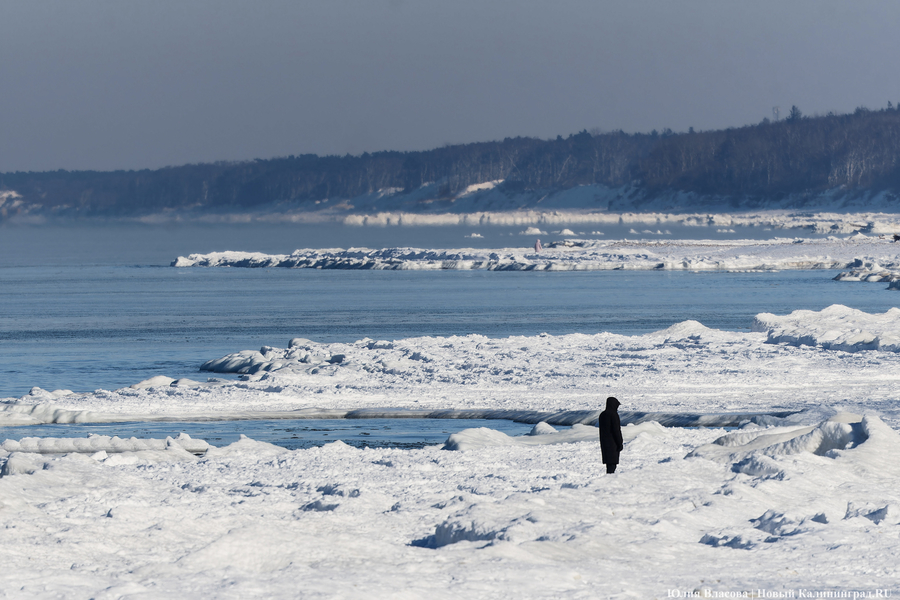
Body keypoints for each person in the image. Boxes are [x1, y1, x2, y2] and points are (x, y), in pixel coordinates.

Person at [598, 396, 624, 473]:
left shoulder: (602, 414)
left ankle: (608, 479)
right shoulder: (613, 415)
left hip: (604, 443)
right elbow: (616, 430)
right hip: (613, 444)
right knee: (612, 465)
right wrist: (620, 443)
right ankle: (609, 482)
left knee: (609, 465)